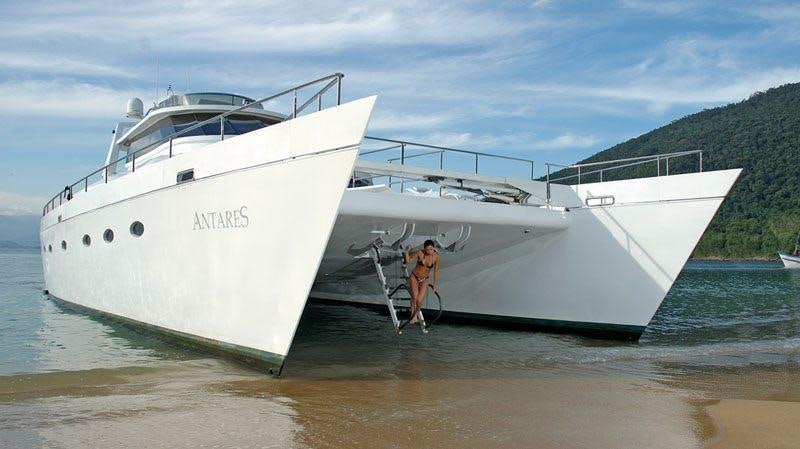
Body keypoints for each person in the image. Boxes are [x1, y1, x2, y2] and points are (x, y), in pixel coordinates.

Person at [403, 240, 440, 324]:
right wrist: (406, 251)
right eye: (427, 249)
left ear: (433, 248)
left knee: (419, 300)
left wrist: (435, 285)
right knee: (415, 296)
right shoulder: (420, 253)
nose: (429, 251)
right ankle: (413, 315)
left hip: (425, 279)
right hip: (414, 277)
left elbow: (436, 271)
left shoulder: (436, 256)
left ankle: (415, 314)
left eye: (431, 249)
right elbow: (408, 261)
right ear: (424, 249)